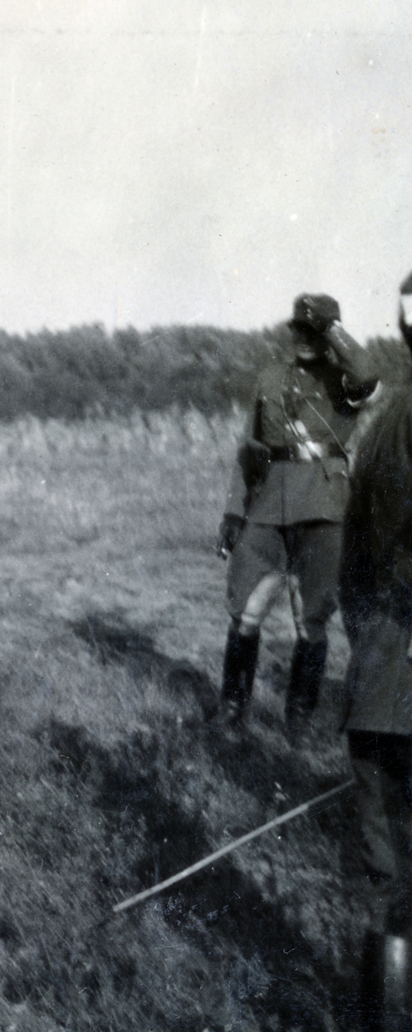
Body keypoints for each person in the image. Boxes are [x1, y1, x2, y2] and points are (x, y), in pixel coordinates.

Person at [214, 292, 378, 729]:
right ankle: (232, 709)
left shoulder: (344, 382)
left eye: (314, 330)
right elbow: (248, 450)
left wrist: (332, 330)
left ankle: (299, 716)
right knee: (245, 609)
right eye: (299, 329)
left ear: (328, 334)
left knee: (312, 620)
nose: (304, 338)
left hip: (324, 507)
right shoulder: (270, 378)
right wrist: (234, 511)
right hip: (268, 506)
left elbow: (366, 371)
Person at [337, 271, 412, 1027]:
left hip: (379, 679)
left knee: (388, 882)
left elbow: (352, 569)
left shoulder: (384, 422)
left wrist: (379, 653)